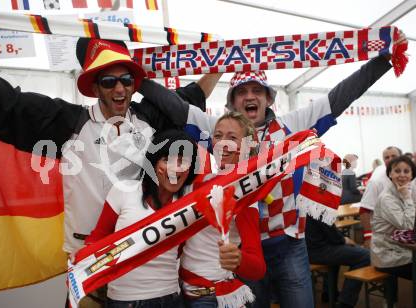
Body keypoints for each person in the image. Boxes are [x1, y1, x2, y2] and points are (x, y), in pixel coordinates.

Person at [125, 31, 408, 308]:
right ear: (232, 102)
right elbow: (174, 106)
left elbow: (339, 98)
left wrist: (382, 61)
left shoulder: (291, 126)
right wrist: (131, 74)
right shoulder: (219, 128)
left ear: (269, 99)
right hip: (243, 250)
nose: (250, 97)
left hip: (289, 245)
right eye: (243, 92)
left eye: (257, 91)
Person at [0, 38, 208, 307]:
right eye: (109, 81)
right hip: (91, 261)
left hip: (142, 261)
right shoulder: (70, 122)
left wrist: (225, 60)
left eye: (126, 80)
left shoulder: (150, 118)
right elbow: (7, 99)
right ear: (96, 87)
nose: (119, 88)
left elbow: (190, 101)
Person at [84, 130, 199, 307]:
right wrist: (81, 263)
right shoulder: (124, 190)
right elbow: (98, 238)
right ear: (153, 163)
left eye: (183, 161)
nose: (176, 169)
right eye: (167, 159)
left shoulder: (187, 205)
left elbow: (181, 251)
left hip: (170, 298)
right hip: (124, 300)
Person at [180, 112, 266, 308]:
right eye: (218, 136)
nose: (222, 143)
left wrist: (238, 259)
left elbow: (258, 268)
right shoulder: (200, 180)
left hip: (210, 298)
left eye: (232, 138)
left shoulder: (245, 194)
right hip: (180, 292)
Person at [306, 216, 370, 308]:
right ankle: (346, 302)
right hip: (318, 251)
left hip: (306, 249)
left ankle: (329, 292)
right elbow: (332, 233)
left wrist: (341, 239)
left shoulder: (303, 202)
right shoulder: (318, 204)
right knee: (365, 256)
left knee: (342, 251)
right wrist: (344, 239)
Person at [371, 155, 416, 280]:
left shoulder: (405, 191)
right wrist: (407, 198)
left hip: (402, 249)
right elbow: (407, 226)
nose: (402, 175)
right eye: (397, 171)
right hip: (389, 256)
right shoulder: (387, 198)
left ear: (412, 175)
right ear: (390, 174)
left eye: (406, 171)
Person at [359, 146, 402, 247]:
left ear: (401, 158)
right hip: (385, 233)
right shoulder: (376, 181)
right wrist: (368, 236)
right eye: (386, 157)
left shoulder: (408, 176)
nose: (390, 159)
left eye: (393, 156)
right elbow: (364, 210)